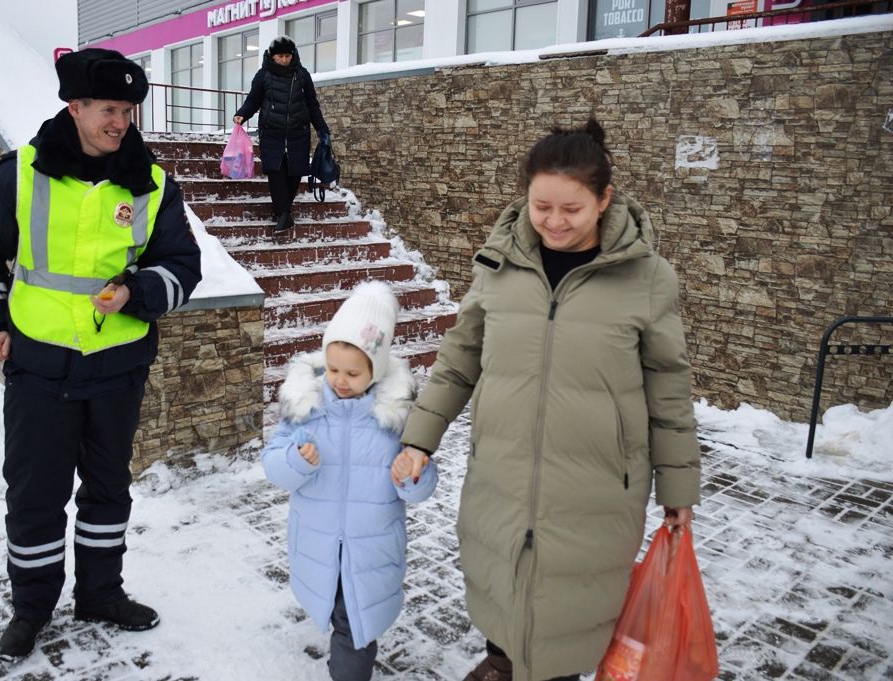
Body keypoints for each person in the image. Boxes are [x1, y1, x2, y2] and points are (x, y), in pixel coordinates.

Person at [395, 119, 701, 681]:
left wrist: (678, 488)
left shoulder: (648, 278)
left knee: (570, 619)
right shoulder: (498, 264)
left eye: (572, 209)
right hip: (502, 477)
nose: (554, 223)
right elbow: (460, 358)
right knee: (501, 591)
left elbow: (669, 385)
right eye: (542, 207)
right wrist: (419, 438)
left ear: (604, 200)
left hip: (598, 489)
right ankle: (501, 663)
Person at [0, 48, 202, 662]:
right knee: (35, 496)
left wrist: (138, 292)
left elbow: (181, 265)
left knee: (108, 490)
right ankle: (32, 608)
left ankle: (101, 594)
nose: (121, 122)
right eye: (108, 109)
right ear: (76, 106)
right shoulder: (22, 172)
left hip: (117, 368)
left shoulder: (153, 181)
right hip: (39, 365)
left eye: (129, 109)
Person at [262, 281, 438, 680]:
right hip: (318, 543)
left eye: (353, 372)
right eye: (334, 368)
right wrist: (296, 461)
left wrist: (411, 475)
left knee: (355, 627)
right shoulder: (307, 406)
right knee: (339, 612)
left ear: (375, 369)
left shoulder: (396, 415)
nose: (340, 380)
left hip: (370, 550)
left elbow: (425, 482)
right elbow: (272, 463)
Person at [232, 35, 331, 234]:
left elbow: (312, 105)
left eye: (288, 56)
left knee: (294, 173)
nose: (285, 60)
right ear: (272, 56)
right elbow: (253, 100)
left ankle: (283, 213)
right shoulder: (263, 75)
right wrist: (242, 114)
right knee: (275, 172)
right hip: (272, 132)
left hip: (298, 132)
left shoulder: (302, 75)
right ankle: (283, 214)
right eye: (280, 56)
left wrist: (322, 128)